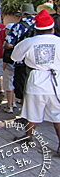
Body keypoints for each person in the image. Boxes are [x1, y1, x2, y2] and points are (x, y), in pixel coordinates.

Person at [11, 10, 60, 155]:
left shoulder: (28, 42)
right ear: (52, 28)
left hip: (36, 78)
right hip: (56, 80)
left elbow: (15, 57)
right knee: (58, 114)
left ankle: (28, 137)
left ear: (36, 30)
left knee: (32, 111)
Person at [5, 3, 37, 103]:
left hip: (21, 61)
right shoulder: (38, 25)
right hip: (37, 61)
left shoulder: (17, 26)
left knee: (22, 86)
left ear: (23, 14)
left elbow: (9, 44)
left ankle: (24, 108)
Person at [3, 23, 16, 113]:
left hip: (9, 64)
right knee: (15, 83)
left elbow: (6, 54)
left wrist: (4, 64)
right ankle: (13, 101)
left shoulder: (8, 42)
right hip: (18, 64)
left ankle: (9, 105)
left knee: (9, 85)